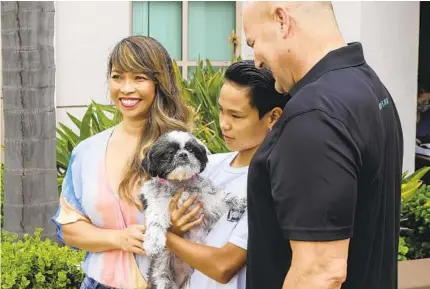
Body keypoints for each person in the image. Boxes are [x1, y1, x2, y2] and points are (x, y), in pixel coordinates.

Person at [242, 2, 403, 289]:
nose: (256, 61)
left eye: (253, 42)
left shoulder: (314, 115)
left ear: (282, 20)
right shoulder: (367, 85)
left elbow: (320, 272)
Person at [51, 36, 194, 289]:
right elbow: (70, 228)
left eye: (139, 78)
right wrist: (119, 238)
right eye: (117, 77)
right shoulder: (87, 152)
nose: (126, 88)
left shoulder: (182, 151)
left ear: (159, 83)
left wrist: (173, 231)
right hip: (98, 283)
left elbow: (199, 226)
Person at [163, 60, 289, 289]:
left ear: (273, 117)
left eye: (236, 116)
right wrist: (173, 228)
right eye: (221, 110)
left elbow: (224, 266)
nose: (224, 124)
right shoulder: (206, 166)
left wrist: (161, 235)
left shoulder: (272, 182)